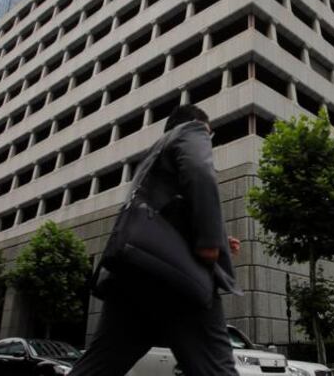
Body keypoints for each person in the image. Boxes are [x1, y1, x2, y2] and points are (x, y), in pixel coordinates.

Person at [71, 105, 241, 376]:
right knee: (216, 370)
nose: (209, 140)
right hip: (177, 280)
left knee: (96, 368)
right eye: (210, 134)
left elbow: (162, 214)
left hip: (132, 278)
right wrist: (210, 241)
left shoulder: (151, 160)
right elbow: (200, 171)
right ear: (196, 124)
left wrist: (220, 237)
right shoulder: (191, 130)